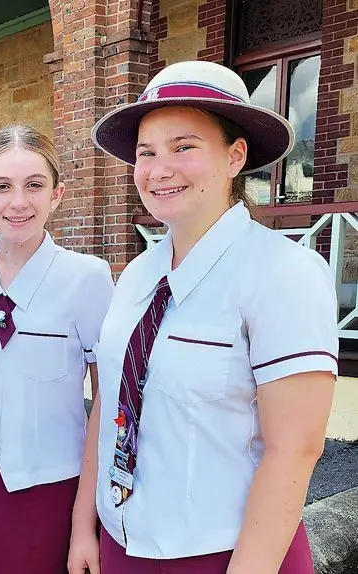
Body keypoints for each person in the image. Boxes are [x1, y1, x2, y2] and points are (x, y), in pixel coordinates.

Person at [68, 60, 338, 574]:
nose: (158, 168)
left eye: (183, 147)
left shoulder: (283, 273)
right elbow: (110, 405)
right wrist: (87, 526)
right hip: (125, 545)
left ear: (236, 156)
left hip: (226, 554)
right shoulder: (136, 276)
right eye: (146, 153)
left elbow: (296, 448)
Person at [0, 124, 115, 574]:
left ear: (56, 194)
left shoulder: (88, 279)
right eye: (2, 187)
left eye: (34, 185)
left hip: (55, 488)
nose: (18, 202)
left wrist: (84, 523)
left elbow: (107, 404)